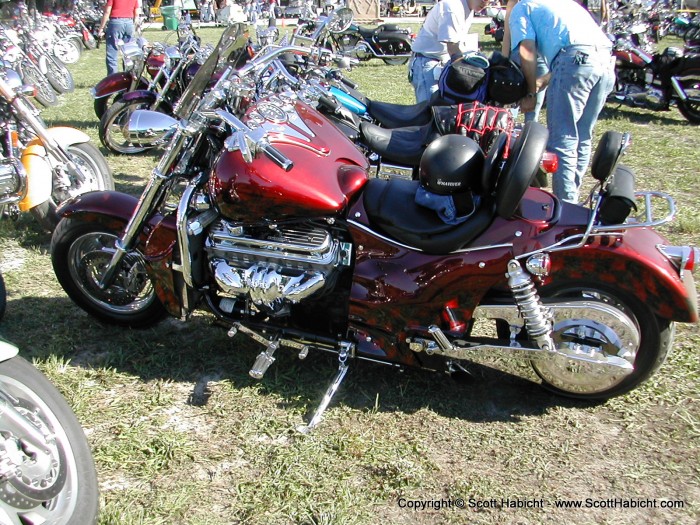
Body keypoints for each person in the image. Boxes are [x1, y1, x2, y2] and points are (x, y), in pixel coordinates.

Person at [508, 0, 615, 203]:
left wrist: (530, 93)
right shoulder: (566, 4)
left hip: (576, 60)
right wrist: (542, 81)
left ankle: (565, 205)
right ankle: (572, 197)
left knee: (563, 138)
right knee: (583, 134)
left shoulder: (523, 7)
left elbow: (527, 49)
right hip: (605, 62)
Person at [408, 0, 487, 103]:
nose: (485, 2)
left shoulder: (468, 8)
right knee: (430, 112)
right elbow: (453, 48)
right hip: (427, 63)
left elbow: (458, 43)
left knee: (443, 112)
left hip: (441, 62)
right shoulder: (452, 7)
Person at [501, 0, 547, 123]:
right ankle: (507, 133)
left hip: (541, 56)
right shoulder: (516, 2)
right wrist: (504, 62)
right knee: (511, 103)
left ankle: (526, 134)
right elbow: (507, 33)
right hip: (521, 55)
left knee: (533, 107)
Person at [97, 0, 140, 75]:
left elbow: (107, 12)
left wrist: (101, 28)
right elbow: (136, 14)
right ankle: (130, 75)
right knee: (129, 53)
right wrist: (135, 26)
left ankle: (113, 78)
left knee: (112, 53)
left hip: (116, 22)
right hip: (129, 23)